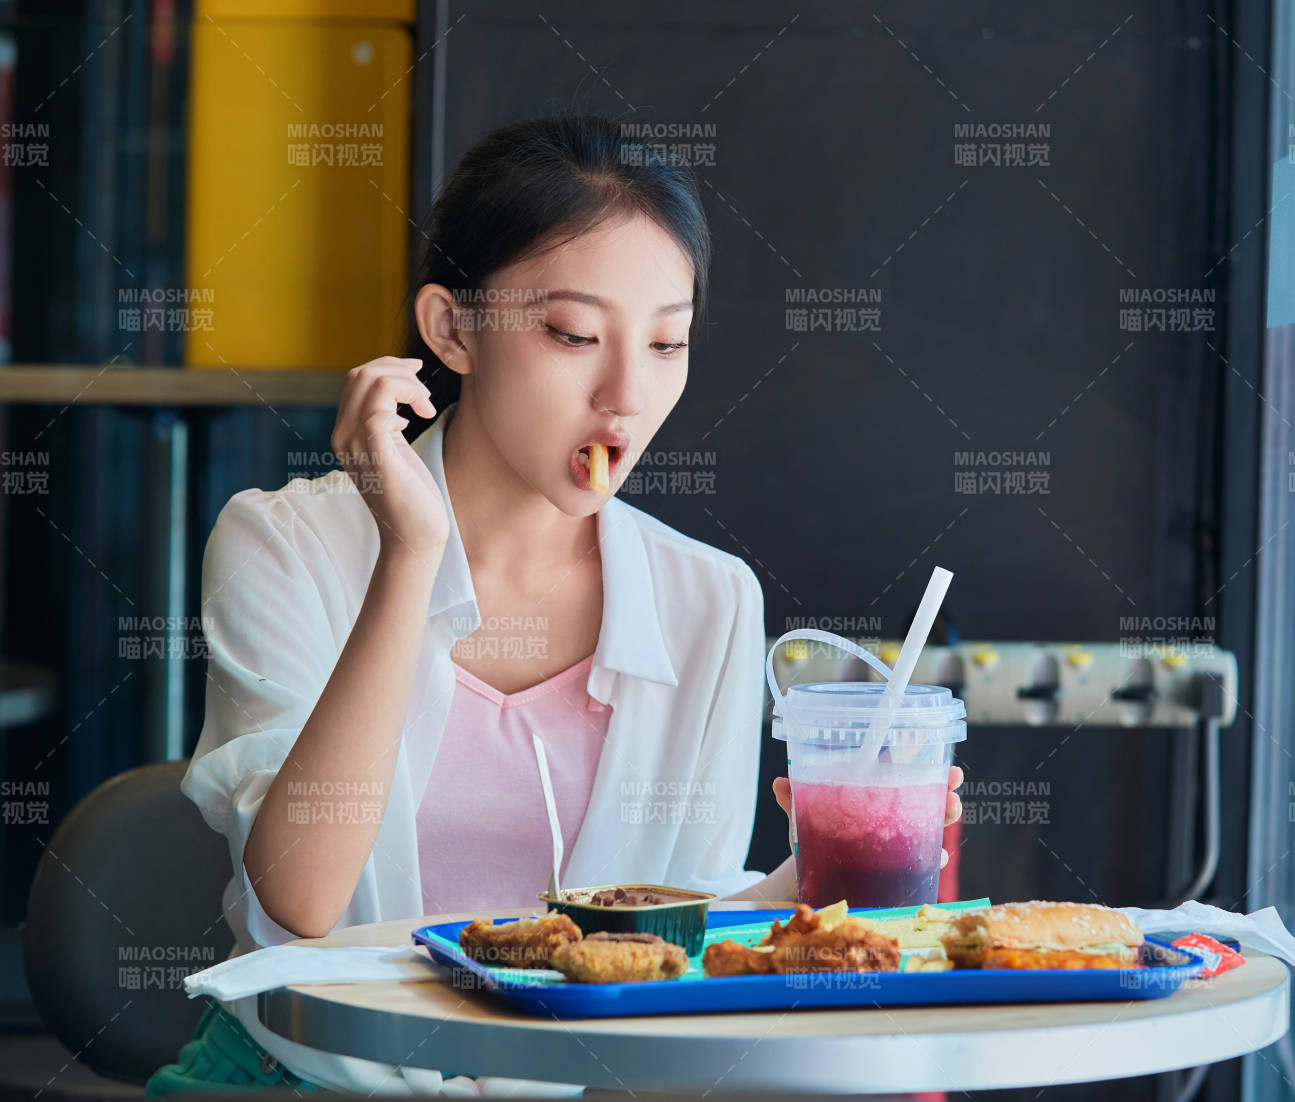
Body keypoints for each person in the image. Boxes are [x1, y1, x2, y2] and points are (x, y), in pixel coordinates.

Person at [146, 115, 962, 1096]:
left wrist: (829, 859)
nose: (626, 392)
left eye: (667, 342)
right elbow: (303, 897)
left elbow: (672, 948)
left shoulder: (707, 599)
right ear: (453, 329)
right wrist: (411, 553)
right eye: (573, 334)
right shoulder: (282, 545)